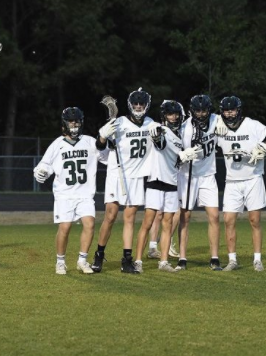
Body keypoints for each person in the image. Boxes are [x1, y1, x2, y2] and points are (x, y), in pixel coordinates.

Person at [90, 88, 156, 274]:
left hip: (136, 177)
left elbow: (160, 143)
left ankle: (126, 260)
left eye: (141, 104)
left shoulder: (151, 124)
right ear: (130, 105)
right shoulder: (118, 123)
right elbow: (100, 146)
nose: (138, 107)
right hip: (116, 175)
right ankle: (99, 255)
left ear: (146, 106)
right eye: (135, 104)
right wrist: (103, 136)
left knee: (130, 219)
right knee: (110, 216)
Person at [33, 107, 105, 275]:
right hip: (64, 194)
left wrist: (104, 140)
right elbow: (44, 165)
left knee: (90, 224)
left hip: (85, 193)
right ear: (64, 124)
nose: (74, 124)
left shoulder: (89, 141)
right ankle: (60, 261)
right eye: (71, 121)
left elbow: (105, 155)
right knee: (65, 227)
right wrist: (41, 172)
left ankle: (82, 260)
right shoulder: (57, 144)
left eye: (77, 121)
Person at [216, 96, 266, 271]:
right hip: (232, 181)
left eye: (232, 110)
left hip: (253, 178)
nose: (229, 114)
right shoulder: (217, 127)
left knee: (254, 220)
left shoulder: (252, 125)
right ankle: (232, 260)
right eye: (225, 110)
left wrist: (264, 148)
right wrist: (214, 124)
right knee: (228, 220)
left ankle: (257, 260)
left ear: (239, 110)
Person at [133, 100, 190, 272]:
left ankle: (163, 261)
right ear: (164, 116)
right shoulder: (161, 130)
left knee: (167, 224)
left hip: (172, 183)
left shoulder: (180, 135)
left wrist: (184, 156)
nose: (173, 117)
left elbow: (175, 160)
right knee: (148, 222)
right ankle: (138, 261)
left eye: (176, 114)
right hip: (156, 182)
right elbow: (160, 142)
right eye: (170, 114)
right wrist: (180, 153)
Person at [176, 94, 228, 270]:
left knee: (214, 216)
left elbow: (232, 120)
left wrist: (223, 122)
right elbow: (173, 154)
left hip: (207, 175)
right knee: (185, 217)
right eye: (197, 110)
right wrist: (183, 156)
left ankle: (214, 258)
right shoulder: (184, 128)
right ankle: (182, 258)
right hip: (188, 176)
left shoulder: (216, 120)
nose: (200, 113)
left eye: (204, 110)